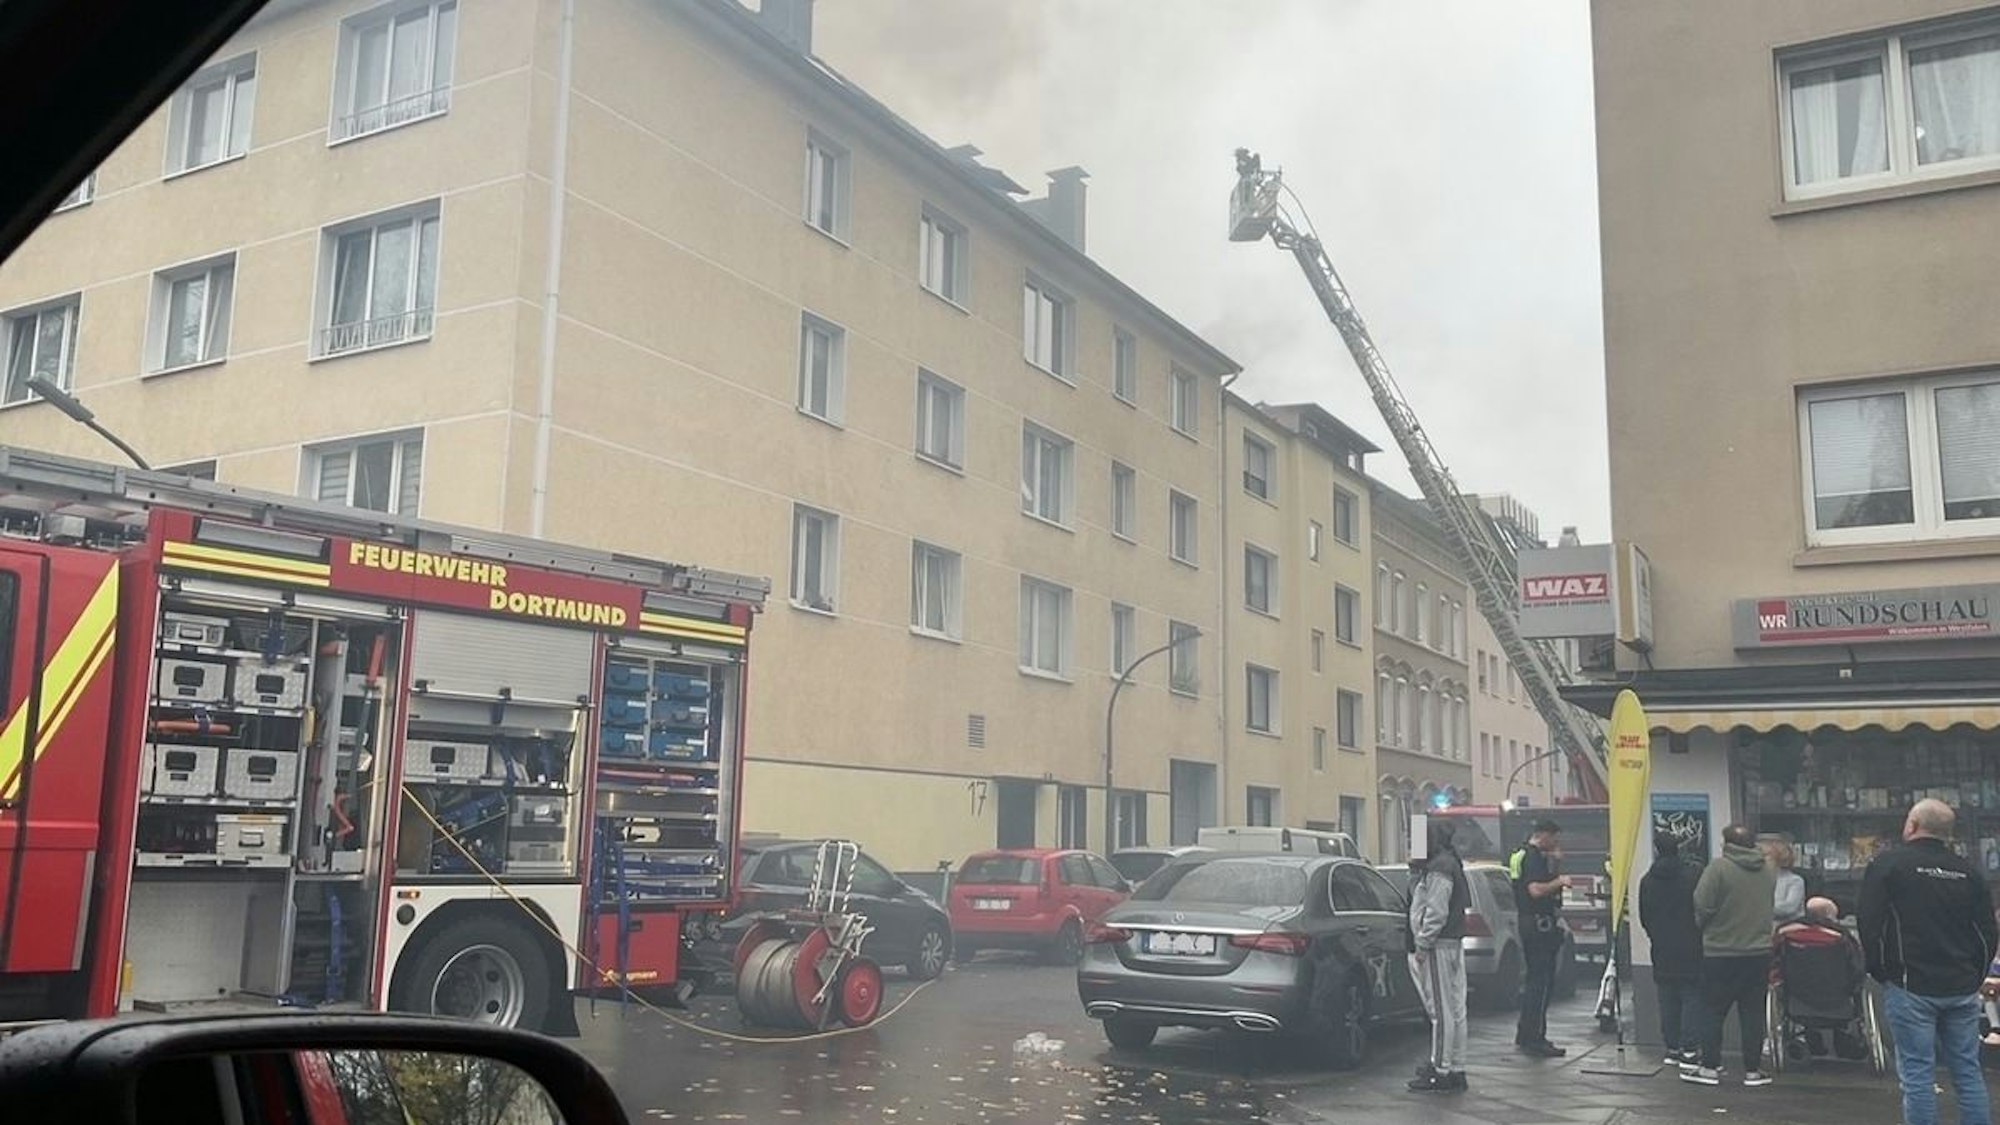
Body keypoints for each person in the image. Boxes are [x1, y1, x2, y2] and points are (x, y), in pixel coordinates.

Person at [1859, 799, 1998, 1125]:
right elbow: (1986, 932)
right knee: (1967, 1072)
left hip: (1910, 985)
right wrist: (1975, 975)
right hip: (1961, 985)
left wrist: (1882, 971)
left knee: (1918, 1075)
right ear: (1948, 833)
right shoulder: (1968, 871)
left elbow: (1870, 923)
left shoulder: (1888, 865)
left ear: (1911, 825)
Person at [1684, 823, 1778, 1087]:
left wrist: (1705, 926)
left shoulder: (1718, 868)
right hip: (1758, 952)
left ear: (1727, 844)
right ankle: (1752, 1070)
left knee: (1712, 1011)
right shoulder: (1768, 871)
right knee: (1752, 1012)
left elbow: (1702, 904)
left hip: (1720, 952)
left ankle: (1710, 1067)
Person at [1408, 818, 1471, 1093]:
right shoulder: (1448, 863)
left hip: (1438, 946)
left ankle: (1441, 1069)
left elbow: (1435, 911)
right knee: (1456, 1009)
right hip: (1452, 943)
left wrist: (1423, 943)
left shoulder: (1438, 868)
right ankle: (1455, 1067)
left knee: (1441, 1011)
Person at [1773, 896, 1867, 1060]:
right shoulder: (1841, 936)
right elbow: (1857, 969)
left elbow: (1774, 962)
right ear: (1829, 916)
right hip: (1837, 996)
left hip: (1796, 996)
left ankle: (1809, 1038)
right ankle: (1843, 1039)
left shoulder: (1785, 932)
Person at [1639, 833, 1703, 1069]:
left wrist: (1656, 935)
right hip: (1691, 944)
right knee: (1691, 996)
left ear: (1656, 850)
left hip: (1662, 946)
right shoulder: (1692, 876)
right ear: (1678, 850)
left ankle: (1672, 1047)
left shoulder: (1647, 880)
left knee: (1667, 998)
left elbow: (1644, 916)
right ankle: (1689, 1048)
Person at [1510, 819, 1569, 1057]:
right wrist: (1560, 881)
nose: (1555, 843)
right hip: (1539, 924)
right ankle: (1536, 1037)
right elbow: (1535, 890)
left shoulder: (1519, 854)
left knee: (1533, 981)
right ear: (1543, 835)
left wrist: (1554, 861)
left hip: (1527, 922)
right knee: (1541, 983)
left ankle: (1525, 1032)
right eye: (1554, 838)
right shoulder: (1533, 857)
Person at [1766, 839, 1806, 925]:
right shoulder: (1763, 879)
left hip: (1788, 930)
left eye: (1768, 857)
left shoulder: (1795, 881)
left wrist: (1761, 909)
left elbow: (1789, 908)